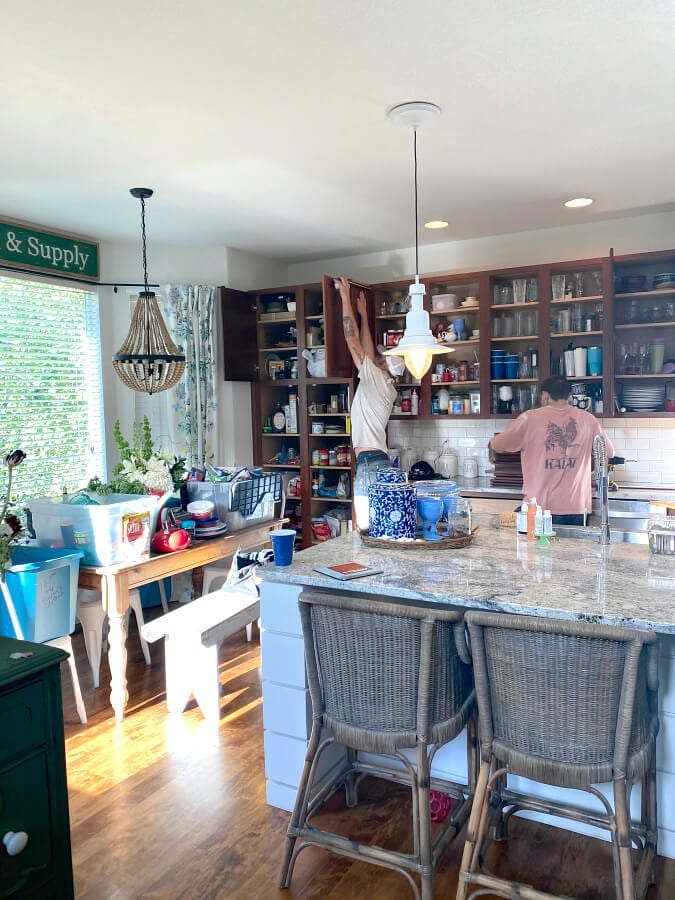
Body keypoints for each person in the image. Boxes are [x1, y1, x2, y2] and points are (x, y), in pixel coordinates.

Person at [488, 375, 614, 525]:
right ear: (568, 395)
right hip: (577, 508)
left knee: (534, 547)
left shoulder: (530, 418)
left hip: (539, 508)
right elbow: (608, 453)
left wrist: (491, 445)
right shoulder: (588, 419)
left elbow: (498, 444)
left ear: (545, 395)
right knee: (572, 548)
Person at [335, 276, 405, 530]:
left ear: (384, 366)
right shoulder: (383, 383)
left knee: (366, 527)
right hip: (375, 460)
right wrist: (364, 315)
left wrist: (344, 297)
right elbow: (365, 349)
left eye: (381, 357)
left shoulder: (375, 378)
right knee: (378, 526)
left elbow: (352, 341)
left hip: (370, 463)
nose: (376, 356)